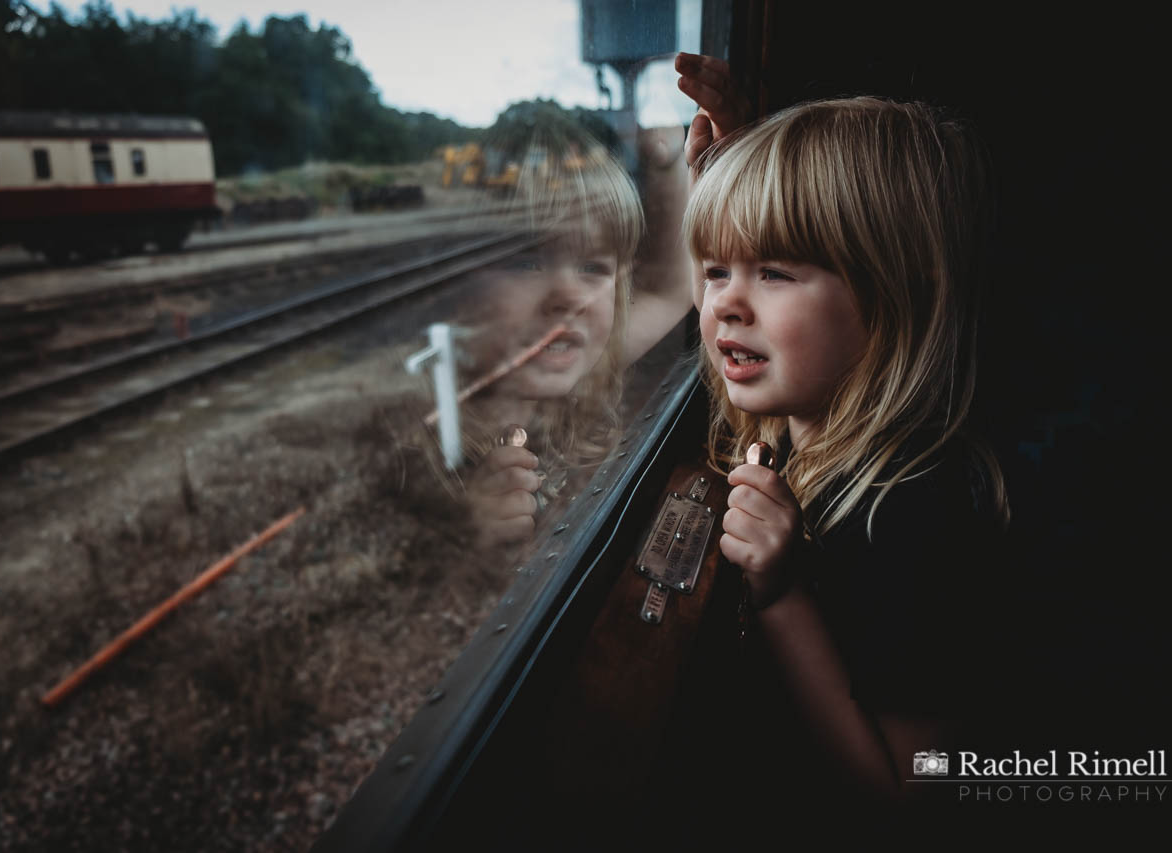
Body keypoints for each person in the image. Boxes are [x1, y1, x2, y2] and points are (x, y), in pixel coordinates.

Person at [675, 52, 1019, 806]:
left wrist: (783, 592)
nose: (726, 305)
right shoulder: (805, 416)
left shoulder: (914, 510)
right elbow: (787, 316)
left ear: (892, 291)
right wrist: (739, 161)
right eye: (714, 269)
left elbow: (907, 789)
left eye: (774, 271)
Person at [418, 121, 693, 551]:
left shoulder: (584, 369)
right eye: (527, 264)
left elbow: (669, 287)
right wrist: (472, 532)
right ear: (456, 288)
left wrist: (667, 162)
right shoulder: (427, 438)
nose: (569, 297)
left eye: (592, 269)